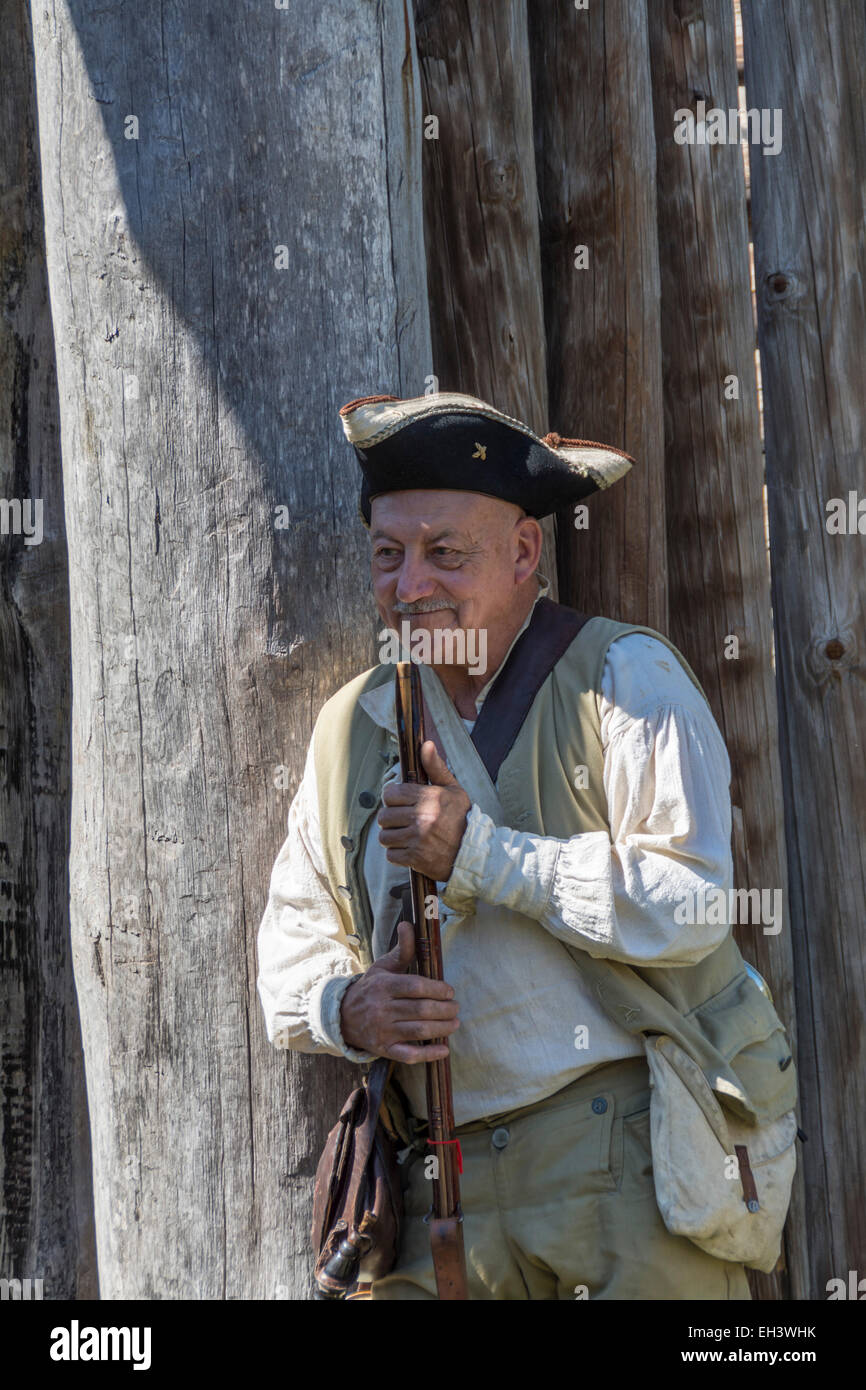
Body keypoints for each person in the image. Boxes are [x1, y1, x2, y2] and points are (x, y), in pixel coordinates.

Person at [256, 390, 797, 1300]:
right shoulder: (351, 727)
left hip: (624, 1172)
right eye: (388, 555)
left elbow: (693, 905)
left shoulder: (628, 678)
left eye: (445, 553)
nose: (410, 584)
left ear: (524, 552)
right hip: (433, 1195)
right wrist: (348, 1008)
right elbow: (290, 951)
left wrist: (484, 860)